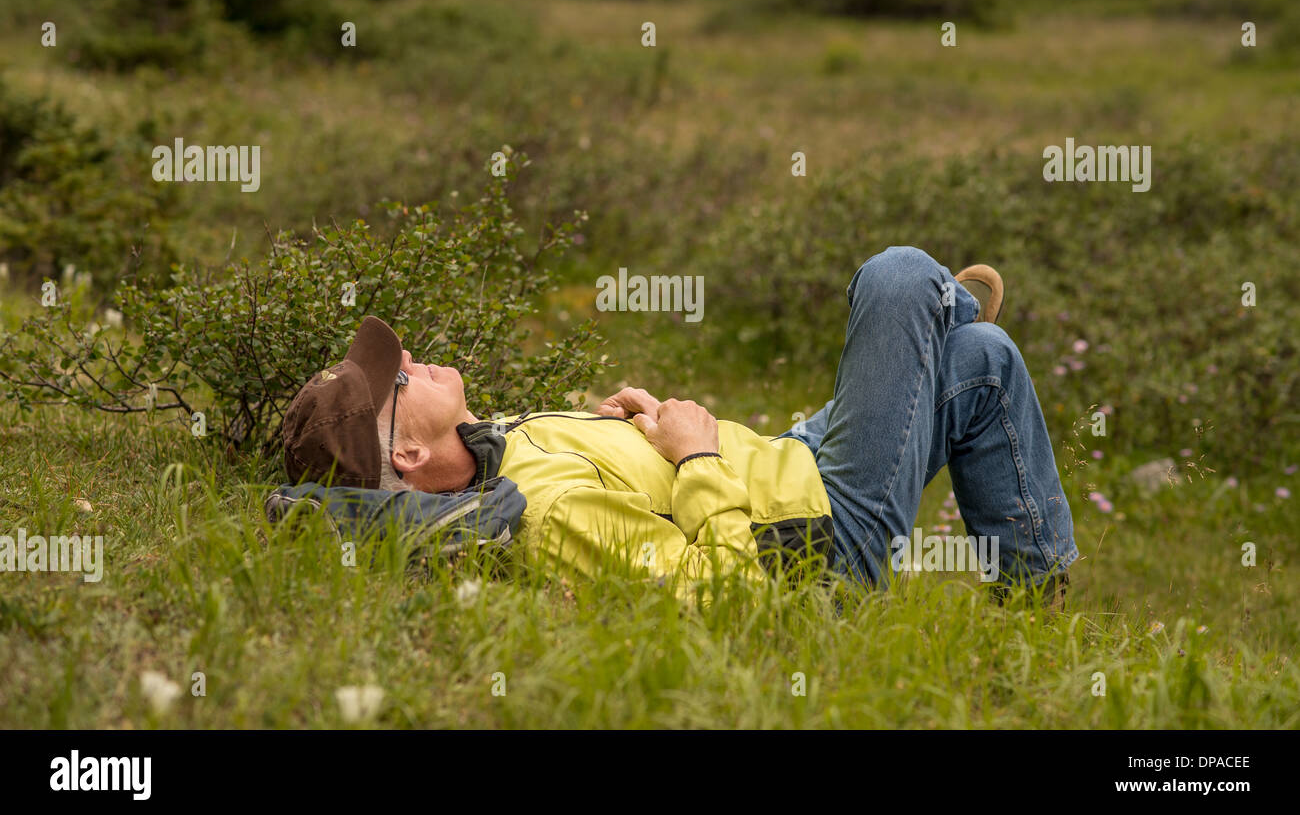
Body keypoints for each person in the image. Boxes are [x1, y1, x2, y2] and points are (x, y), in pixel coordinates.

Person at [282, 246, 1077, 601]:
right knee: (901, 278)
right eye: (400, 379)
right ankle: (943, 310)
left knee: (983, 357)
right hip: (816, 543)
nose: (412, 357)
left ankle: (1034, 603)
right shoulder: (548, 512)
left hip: (789, 467)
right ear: (408, 450)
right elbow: (727, 593)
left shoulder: (488, 443)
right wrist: (694, 456)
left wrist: (638, 430)